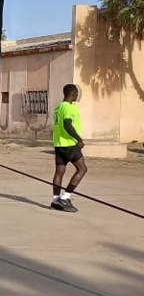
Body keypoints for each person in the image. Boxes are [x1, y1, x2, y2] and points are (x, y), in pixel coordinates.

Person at [51, 84, 87, 213]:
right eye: (76, 93)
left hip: (59, 144)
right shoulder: (69, 108)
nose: (78, 95)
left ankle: (55, 200)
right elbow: (67, 124)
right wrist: (79, 139)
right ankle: (65, 197)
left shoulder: (58, 107)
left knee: (59, 172)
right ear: (73, 93)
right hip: (69, 144)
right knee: (82, 169)